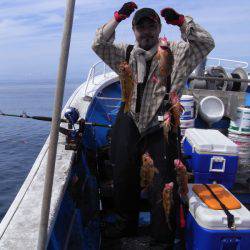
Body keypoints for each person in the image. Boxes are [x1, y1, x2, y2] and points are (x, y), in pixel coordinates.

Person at [92, 2, 215, 248]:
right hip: (130, 119)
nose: (146, 32)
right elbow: (98, 44)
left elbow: (206, 43)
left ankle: (162, 237)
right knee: (123, 175)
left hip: (162, 124)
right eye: (141, 27)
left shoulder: (178, 52)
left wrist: (182, 22)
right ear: (134, 30)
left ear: (159, 28)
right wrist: (117, 18)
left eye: (151, 26)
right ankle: (127, 223)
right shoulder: (124, 53)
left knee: (164, 184)